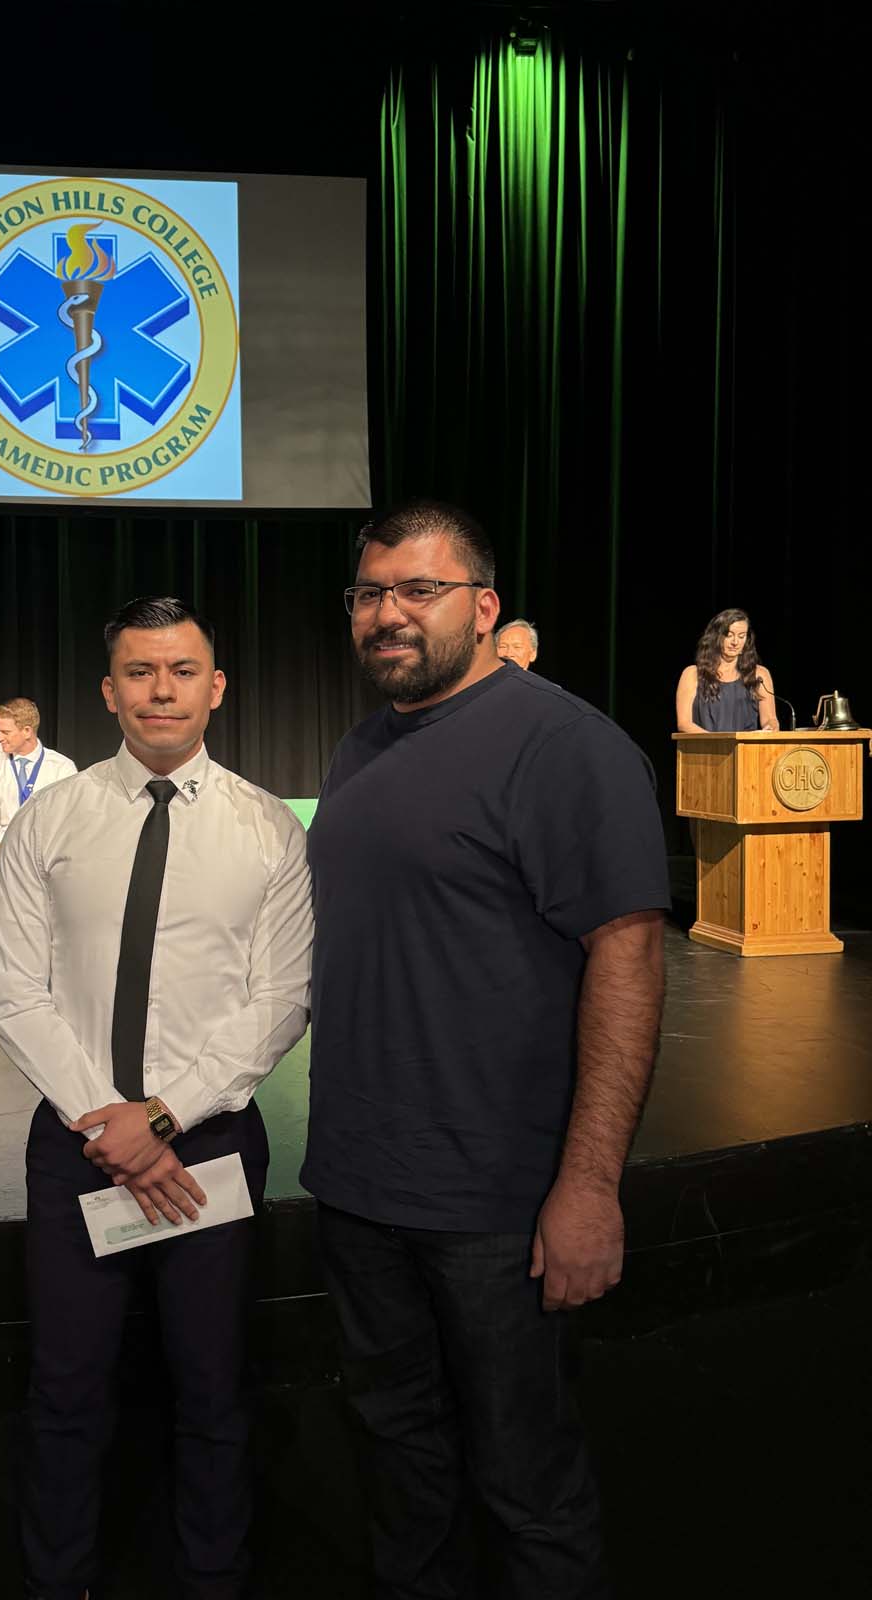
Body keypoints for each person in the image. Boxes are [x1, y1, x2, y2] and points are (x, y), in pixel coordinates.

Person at [302, 500, 669, 1598]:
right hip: (362, 1191)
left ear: (486, 607)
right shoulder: (364, 744)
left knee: (527, 1482)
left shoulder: (567, 746)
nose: (389, 615)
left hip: (498, 1205)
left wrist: (591, 1184)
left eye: (420, 591)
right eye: (371, 594)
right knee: (399, 1465)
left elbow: (630, 958)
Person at [0, 597, 313, 1600]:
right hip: (74, 1143)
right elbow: (10, 988)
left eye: (181, 670)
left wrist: (162, 1118)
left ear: (217, 687)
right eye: (139, 671)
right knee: (68, 1391)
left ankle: (214, 1577)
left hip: (209, 1148)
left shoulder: (267, 831)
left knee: (213, 1389)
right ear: (108, 689)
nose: (160, 689)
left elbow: (280, 999)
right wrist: (112, 1121)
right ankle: (60, 1580)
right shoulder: (53, 818)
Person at [0, 696, 76, 956]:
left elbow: (69, 821)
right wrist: (11, 844)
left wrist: (36, 845)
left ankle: (59, 952)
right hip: (0, 842)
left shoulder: (61, 767)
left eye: (5, 732)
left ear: (27, 731)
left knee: (73, 866)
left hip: (47, 845)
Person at [675, 609, 778, 732]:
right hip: (706, 749)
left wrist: (771, 727)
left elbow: (770, 719)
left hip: (746, 750)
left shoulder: (759, 675)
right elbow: (684, 724)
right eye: (729, 635)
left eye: (741, 636)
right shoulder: (693, 674)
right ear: (716, 636)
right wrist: (719, 743)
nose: (735, 642)